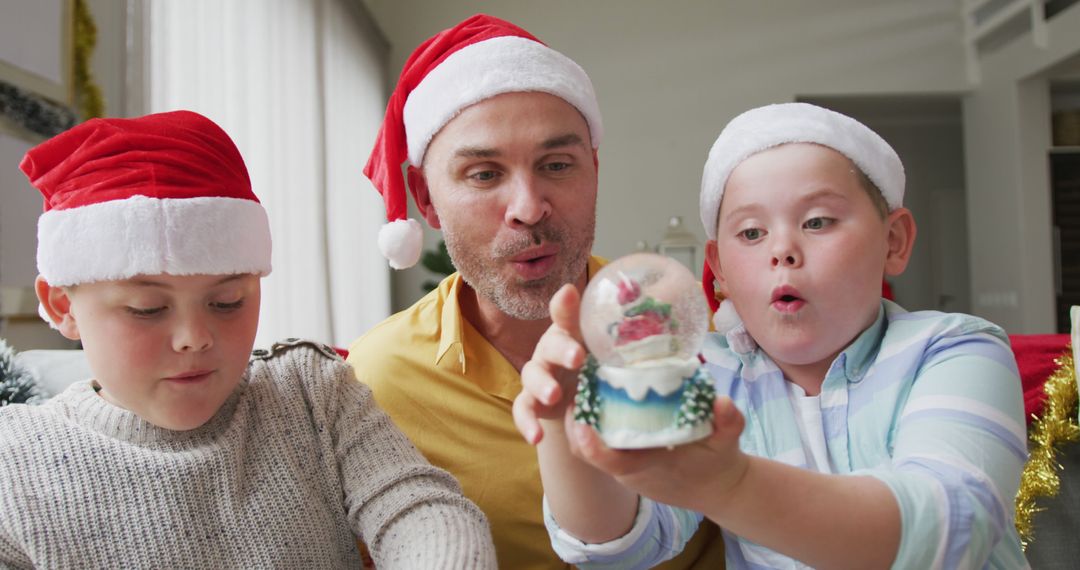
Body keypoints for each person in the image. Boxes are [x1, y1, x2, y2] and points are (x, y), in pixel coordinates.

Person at [514, 102, 1028, 568]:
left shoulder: (954, 350)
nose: (781, 250)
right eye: (751, 233)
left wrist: (732, 485)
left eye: (818, 221)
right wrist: (563, 430)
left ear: (893, 241)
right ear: (719, 273)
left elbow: (952, 528)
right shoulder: (709, 374)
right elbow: (626, 545)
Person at [0, 110, 495, 569]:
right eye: (147, 309)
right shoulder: (13, 463)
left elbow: (420, 508)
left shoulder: (311, 392)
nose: (194, 338)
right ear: (63, 306)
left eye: (227, 302)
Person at [349, 13, 725, 568]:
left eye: (556, 164)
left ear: (593, 171)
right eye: (483, 174)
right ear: (424, 199)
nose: (528, 207)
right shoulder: (370, 387)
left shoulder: (702, 334)